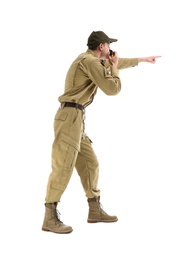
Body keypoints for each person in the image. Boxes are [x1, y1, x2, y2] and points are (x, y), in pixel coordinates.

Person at [42, 31, 161, 234]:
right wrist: (115, 70)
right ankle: (49, 217)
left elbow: (116, 63)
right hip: (69, 118)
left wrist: (142, 60)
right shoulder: (89, 62)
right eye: (108, 46)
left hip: (76, 118)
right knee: (63, 166)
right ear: (101, 47)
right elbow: (112, 89)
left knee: (90, 162)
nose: (110, 49)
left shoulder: (93, 60)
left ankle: (94, 210)